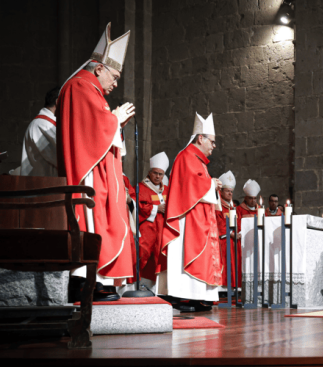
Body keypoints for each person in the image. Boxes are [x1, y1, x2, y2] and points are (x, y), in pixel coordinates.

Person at [59, 23, 134, 302]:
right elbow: (91, 132)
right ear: (99, 68)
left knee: (102, 221)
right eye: (114, 76)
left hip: (97, 170)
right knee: (93, 221)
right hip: (87, 172)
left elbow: (100, 128)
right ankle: (88, 282)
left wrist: (114, 120)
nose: (115, 84)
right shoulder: (80, 86)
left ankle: (98, 281)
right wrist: (114, 119)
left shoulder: (92, 91)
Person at [158, 113, 222, 312]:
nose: (214, 146)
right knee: (191, 254)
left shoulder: (198, 159)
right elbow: (192, 185)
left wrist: (212, 185)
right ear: (200, 138)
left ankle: (200, 296)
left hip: (200, 216)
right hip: (189, 219)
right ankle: (188, 297)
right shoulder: (187, 156)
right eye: (212, 141)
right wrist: (211, 184)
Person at [135, 152, 169, 289]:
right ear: (149, 172)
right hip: (147, 228)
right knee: (142, 255)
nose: (157, 177)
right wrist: (156, 208)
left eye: (161, 174)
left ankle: (156, 288)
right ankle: (137, 285)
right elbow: (138, 205)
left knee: (160, 258)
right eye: (155, 173)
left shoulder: (167, 190)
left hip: (163, 230)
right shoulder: (140, 188)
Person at [20, 86, 60, 177]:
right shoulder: (42, 124)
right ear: (58, 102)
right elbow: (61, 158)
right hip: (41, 187)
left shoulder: (47, 123)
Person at [216, 170, 241, 288]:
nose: (230, 194)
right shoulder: (217, 205)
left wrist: (239, 232)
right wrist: (230, 233)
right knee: (225, 263)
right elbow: (218, 222)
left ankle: (233, 286)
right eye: (227, 191)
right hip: (223, 241)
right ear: (220, 191)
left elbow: (238, 221)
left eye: (231, 191)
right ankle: (223, 286)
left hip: (234, 240)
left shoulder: (233, 207)